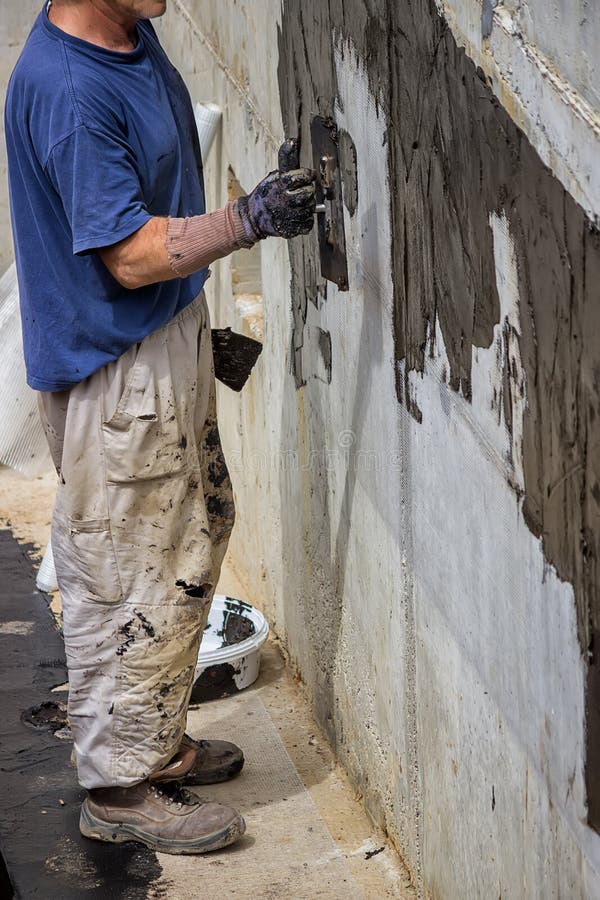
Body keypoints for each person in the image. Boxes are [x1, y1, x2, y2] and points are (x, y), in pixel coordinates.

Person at [4, 0, 315, 855]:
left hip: (159, 341)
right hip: (119, 377)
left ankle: (156, 745)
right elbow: (133, 257)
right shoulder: (69, 89)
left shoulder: (128, 34)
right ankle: (116, 788)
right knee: (124, 568)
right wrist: (247, 220)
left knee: (190, 537)